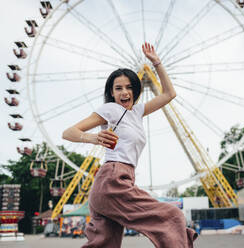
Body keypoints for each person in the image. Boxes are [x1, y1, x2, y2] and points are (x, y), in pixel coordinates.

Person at [62, 42, 198, 248]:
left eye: (129, 87)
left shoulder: (137, 112)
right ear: (112, 92)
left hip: (117, 183)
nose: (124, 92)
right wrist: (93, 138)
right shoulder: (110, 110)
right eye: (118, 88)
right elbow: (68, 132)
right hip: (112, 180)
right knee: (172, 216)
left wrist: (156, 62)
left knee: (104, 244)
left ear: (136, 90)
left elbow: (169, 94)